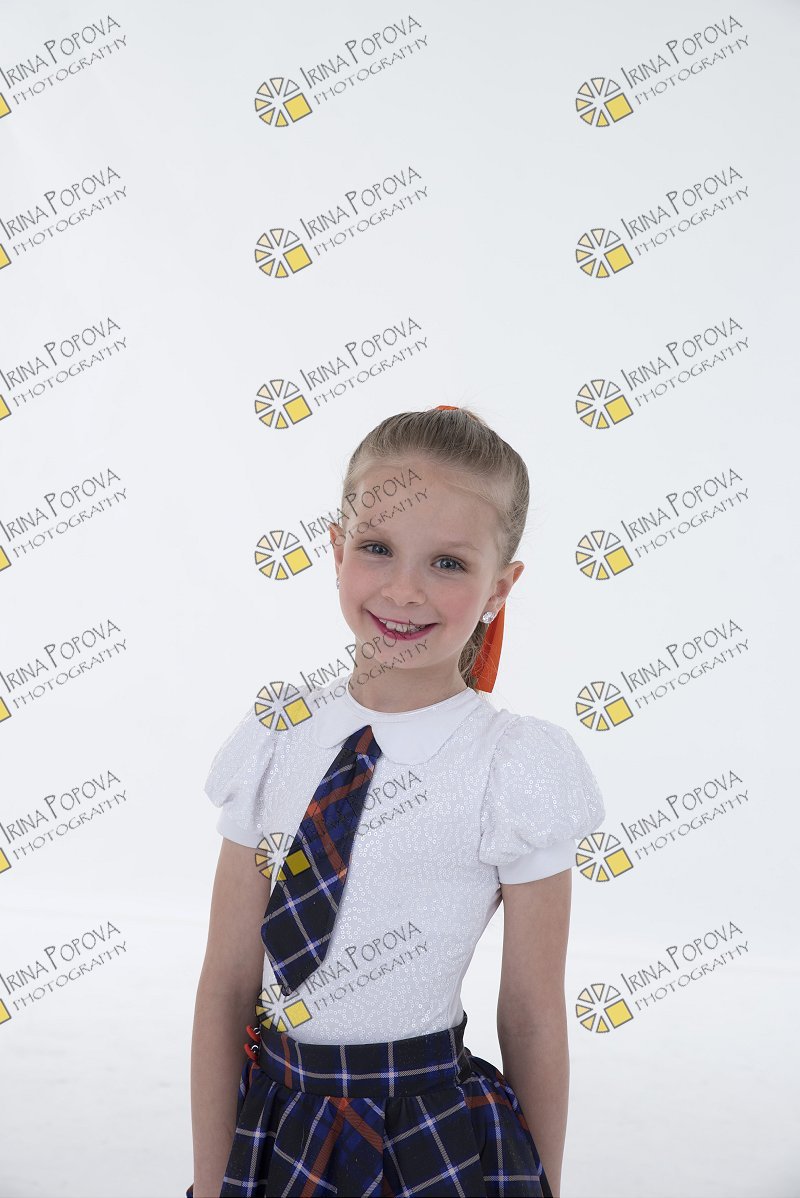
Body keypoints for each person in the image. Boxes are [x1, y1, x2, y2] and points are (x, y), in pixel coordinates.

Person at [187, 404, 606, 1197]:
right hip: (278, 1121)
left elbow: (531, 1011)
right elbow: (226, 984)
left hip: (432, 1135)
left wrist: (545, 1185)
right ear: (336, 549)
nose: (404, 590)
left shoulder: (513, 766)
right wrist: (210, 1185)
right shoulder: (277, 735)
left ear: (500, 587)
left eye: (448, 563)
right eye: (377, 548)